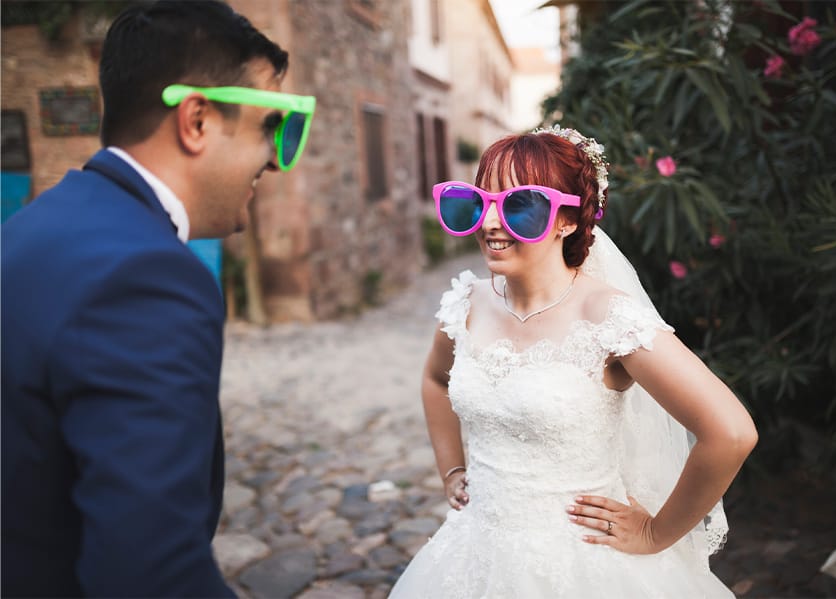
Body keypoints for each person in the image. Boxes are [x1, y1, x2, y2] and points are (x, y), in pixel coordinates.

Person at [1, 2, 315, 596]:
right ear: (196, 120)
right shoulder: (147, 278)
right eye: (269, 126)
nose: (274, 160)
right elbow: (148, 572)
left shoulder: (30, 227)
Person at [389, 127, 758, 598]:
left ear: (567, 220)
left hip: (582, 565)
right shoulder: (465, 304)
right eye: (479, 202)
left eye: (520, 205)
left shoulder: (607, 318)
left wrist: (655, 533)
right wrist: (452, 469)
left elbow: (731, 432)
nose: (491, 222)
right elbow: (435, 379)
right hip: (472, 555)